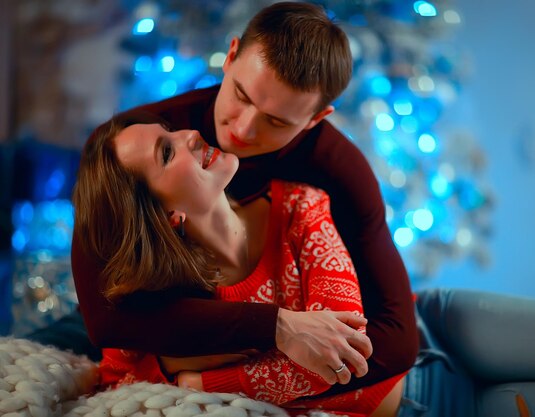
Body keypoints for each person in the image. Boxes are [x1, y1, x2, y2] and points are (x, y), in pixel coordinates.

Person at [69, 0, 419, 398]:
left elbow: (397, 342)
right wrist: (278, 327)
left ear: (315, 120)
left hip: (411, 339)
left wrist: (202, 378)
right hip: (145, 317)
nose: (243, 130)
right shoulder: (141, 137)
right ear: (231, 56)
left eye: (277, 121)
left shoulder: (336, 169)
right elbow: (107, 321)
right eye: (241, 95)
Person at [72, 114, 406, 417]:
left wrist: (194, 383)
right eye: (167, 153)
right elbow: (118, 389)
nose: (190, 134)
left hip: (427, 366)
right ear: (167, 216)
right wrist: (169, 363)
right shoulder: (155, 308)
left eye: (171, 132)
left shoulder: (300, 207)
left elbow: (343, 352)